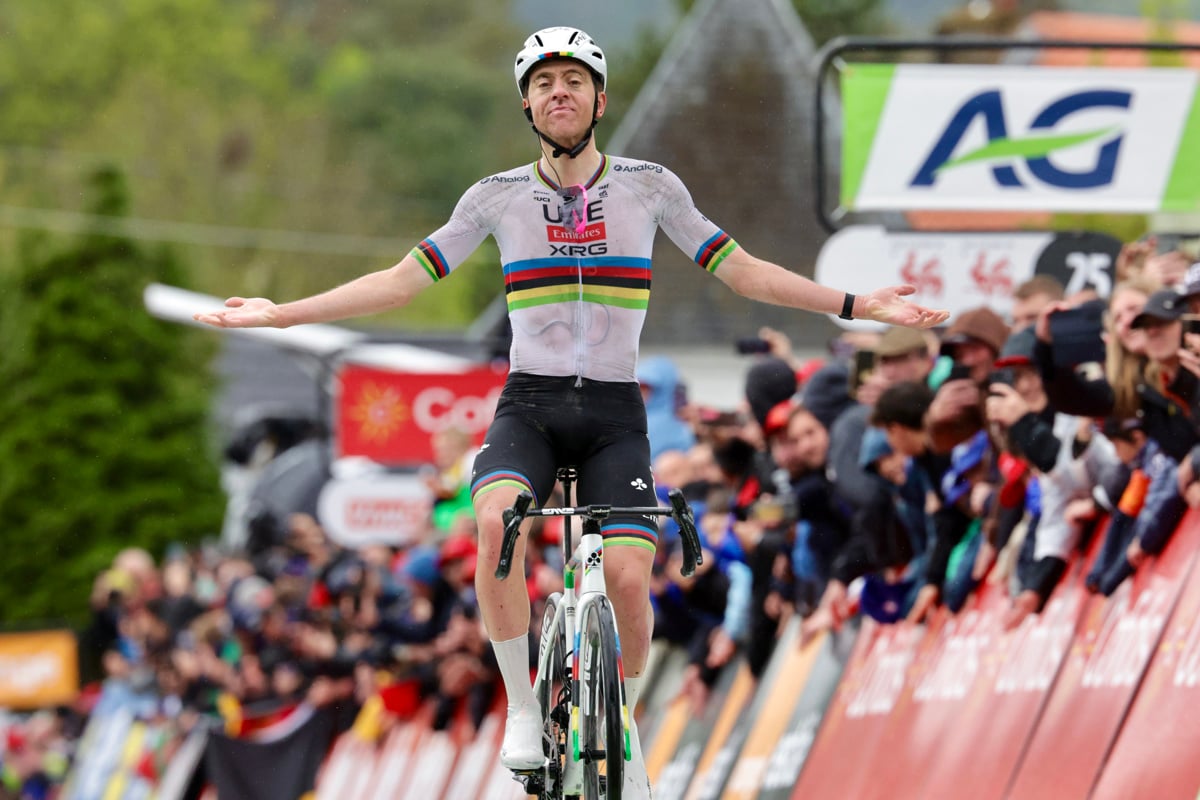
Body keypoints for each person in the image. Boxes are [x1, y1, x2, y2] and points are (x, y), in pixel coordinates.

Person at [194, 25, 948, 796]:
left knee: (628, 574)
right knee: (496, 523)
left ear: (600, 99)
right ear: (527, 104)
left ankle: (623, 720)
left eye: (575, 81)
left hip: (615, 413)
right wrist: (282, 314)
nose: (560, 92)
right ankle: (525, 708)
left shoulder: (651, 186)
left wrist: (858, 305)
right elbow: (399, 281)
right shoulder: (495, 196)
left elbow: (745, 272)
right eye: (545, 83)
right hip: (531, 404)